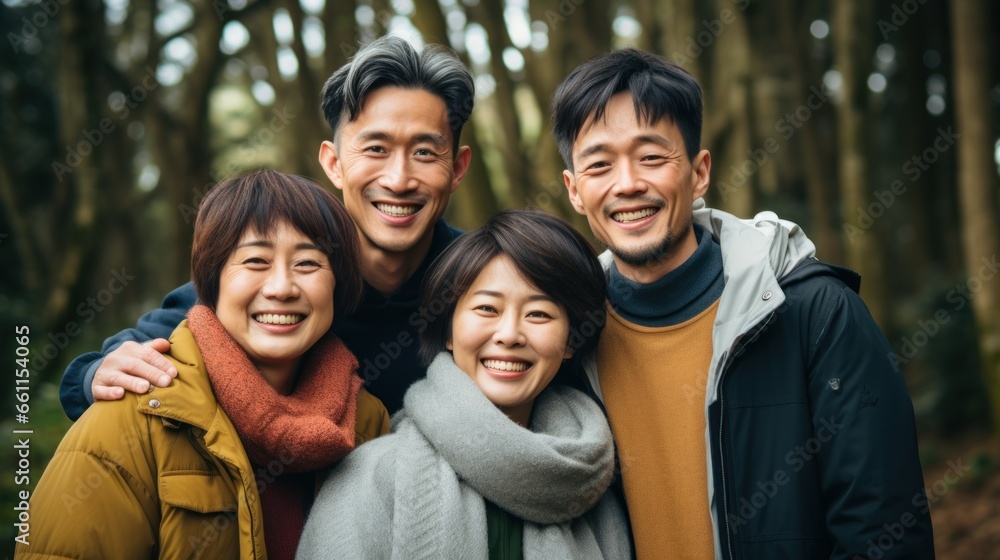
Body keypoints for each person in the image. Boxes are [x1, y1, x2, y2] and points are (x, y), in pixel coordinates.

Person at [550, 49, 934, 559]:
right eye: (599, 165)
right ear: (575, 190)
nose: (627, 184)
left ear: (699, 171)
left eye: (651, 157)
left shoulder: (815, 315)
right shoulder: (563, 343)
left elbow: (882, 534)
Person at [59, 35, 474, 419]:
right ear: (334, 163)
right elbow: (120, 357)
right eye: (376, 149)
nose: (399, 180)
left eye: (424, 151)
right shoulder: (283, 272)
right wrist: (97, 373)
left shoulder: (485, 277)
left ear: (457, 168)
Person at [16, 170, 390, 560]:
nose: (281, 287)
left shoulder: (366, 422)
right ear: (210, 282)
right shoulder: (137, 413)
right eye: (256, 260)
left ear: (339, 284)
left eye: (308, 264)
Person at [296, 210, 631, 559]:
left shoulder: (594, 486)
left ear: (570, 342)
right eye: (487, 308)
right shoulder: (372, 476)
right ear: (449, 331)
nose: (509, 335)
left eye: (539, 314)